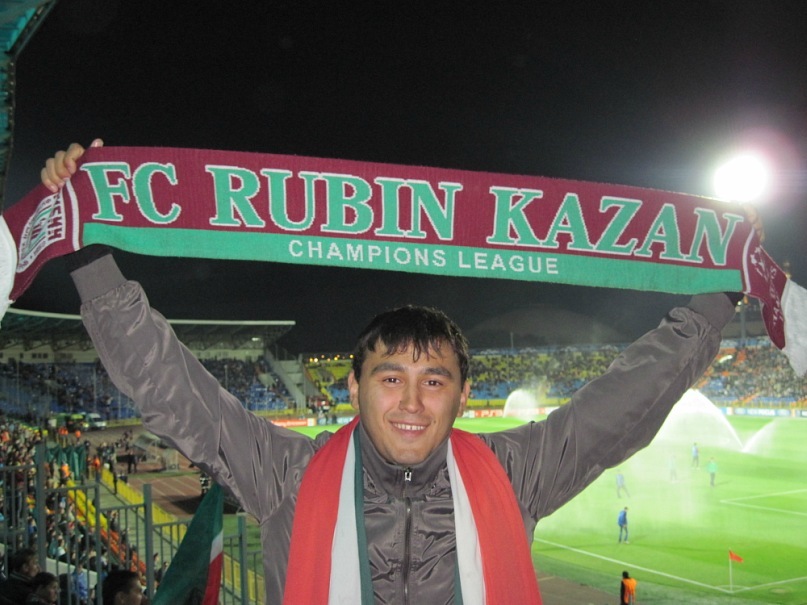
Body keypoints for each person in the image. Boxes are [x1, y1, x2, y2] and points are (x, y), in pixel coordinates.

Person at [42, 141, 738, 603]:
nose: (411, 400)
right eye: (389, 376)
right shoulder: (285, 473)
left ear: (463, 395)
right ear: (353, 386)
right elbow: (173, 390)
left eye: (434, 380)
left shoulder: (516, 471)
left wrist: (719, 298)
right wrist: (89, 252)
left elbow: (618, 408)